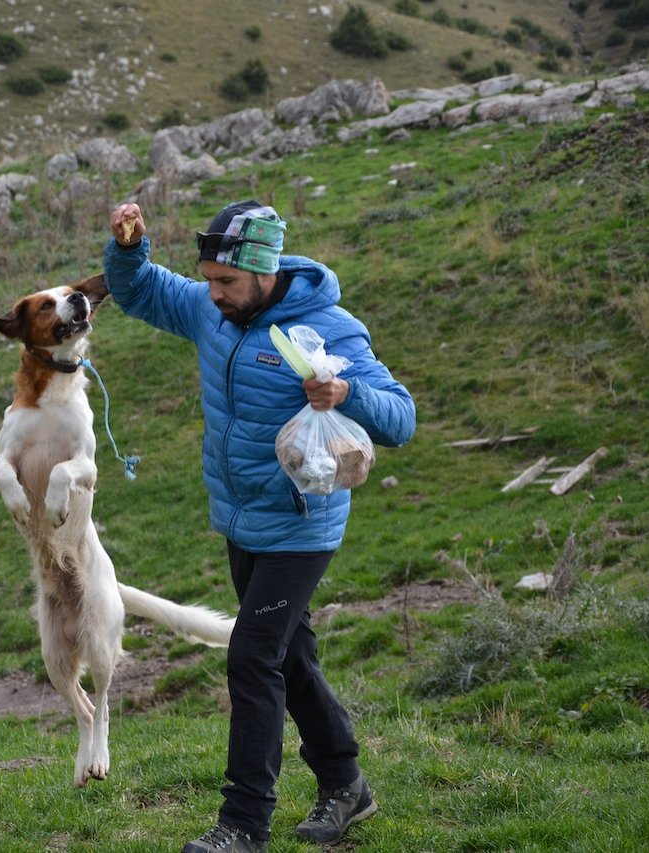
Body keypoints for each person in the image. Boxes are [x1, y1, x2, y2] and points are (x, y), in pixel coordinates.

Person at [103, 200, 416, 852]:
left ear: (264, 274)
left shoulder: (326, 329)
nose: (212, 295)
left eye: (226, 283)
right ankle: (346, 783)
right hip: (240, 520)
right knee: (289, 656)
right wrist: (130, 249)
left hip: (301, 527)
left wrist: (346, 393)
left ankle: (242, 824)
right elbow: (142, 291)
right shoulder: (214, 311)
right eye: (209, 279)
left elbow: (402, 418)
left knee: (251, 658)